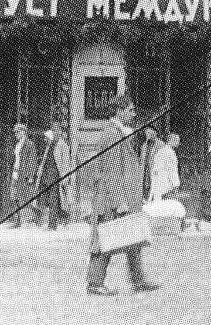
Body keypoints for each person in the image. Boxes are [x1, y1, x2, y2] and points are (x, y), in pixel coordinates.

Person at [83, 98, 159, 297]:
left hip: (119, 196)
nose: (133, 114)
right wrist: (120, 202)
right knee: (105, 239)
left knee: (132, 237)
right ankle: (95, 282)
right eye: (130, 110)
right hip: (110, 199)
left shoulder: (117, 132)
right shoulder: (111, 135)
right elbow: (111, 171)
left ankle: (138, 280)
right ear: (119, 111)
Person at [34, 127, 70, 230]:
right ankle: (47, 222)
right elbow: (44, 162)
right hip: (46, 178)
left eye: (46, 138)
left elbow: (65, 163)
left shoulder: (61, 145)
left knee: (54, 201)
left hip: (55, 177)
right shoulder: (48, 147)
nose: (45, 140)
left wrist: (65, 177)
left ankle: (53, 225)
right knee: (47, 200)